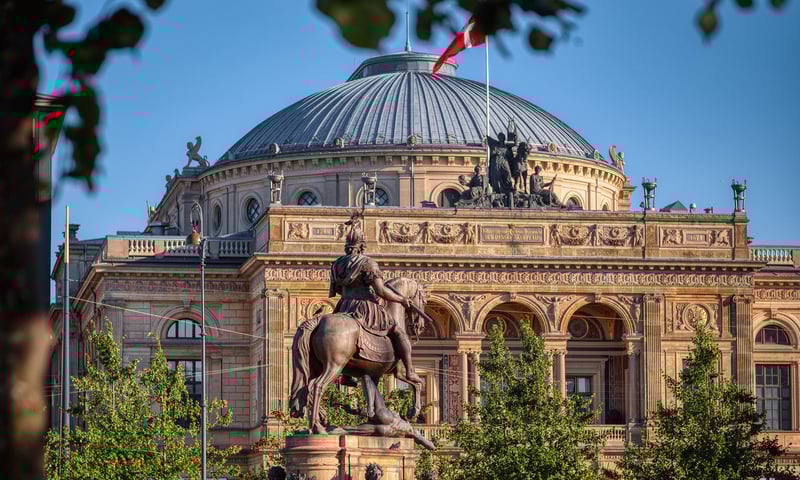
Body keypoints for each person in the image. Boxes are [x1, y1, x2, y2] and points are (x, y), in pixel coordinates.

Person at [329, 217, 422, 384]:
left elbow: (336, 289)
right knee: (398, 331)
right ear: (363, 245)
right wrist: (402, 300)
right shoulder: (368, 263)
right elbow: (381, 291)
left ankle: (346, 375)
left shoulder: (337, 264)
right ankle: (409, 370)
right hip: (365, 307)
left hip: (344, 305)